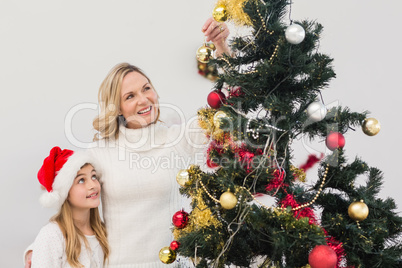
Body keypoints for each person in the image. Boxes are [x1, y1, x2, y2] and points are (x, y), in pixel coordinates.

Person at [25, 17, 230, 267]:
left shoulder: (177, 139)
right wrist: (36, 250)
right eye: (130, 96)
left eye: (146, 89)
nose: (143, 100)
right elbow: (70, 203)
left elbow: (226, 105)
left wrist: (221, 46)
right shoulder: (101, 152)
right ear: (118, 108)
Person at [29, 146, 109, 267]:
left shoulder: (102, 233)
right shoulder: (52, 235)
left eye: (93, 176)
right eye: (81, 180)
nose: (93, 185)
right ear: (65, 192)